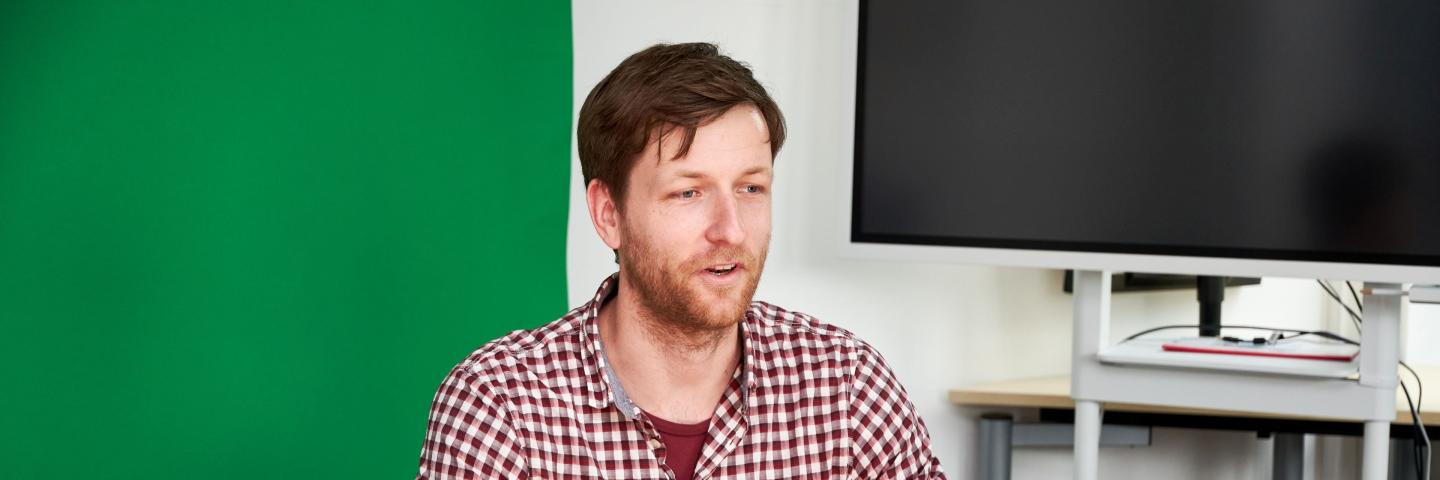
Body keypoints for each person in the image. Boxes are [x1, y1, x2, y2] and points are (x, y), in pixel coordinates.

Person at [416, 42, 945, 479]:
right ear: (608, 214)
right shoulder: (500, 406)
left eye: (751, 187)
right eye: (688, 193)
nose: (731, 229)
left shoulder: (847, 387)